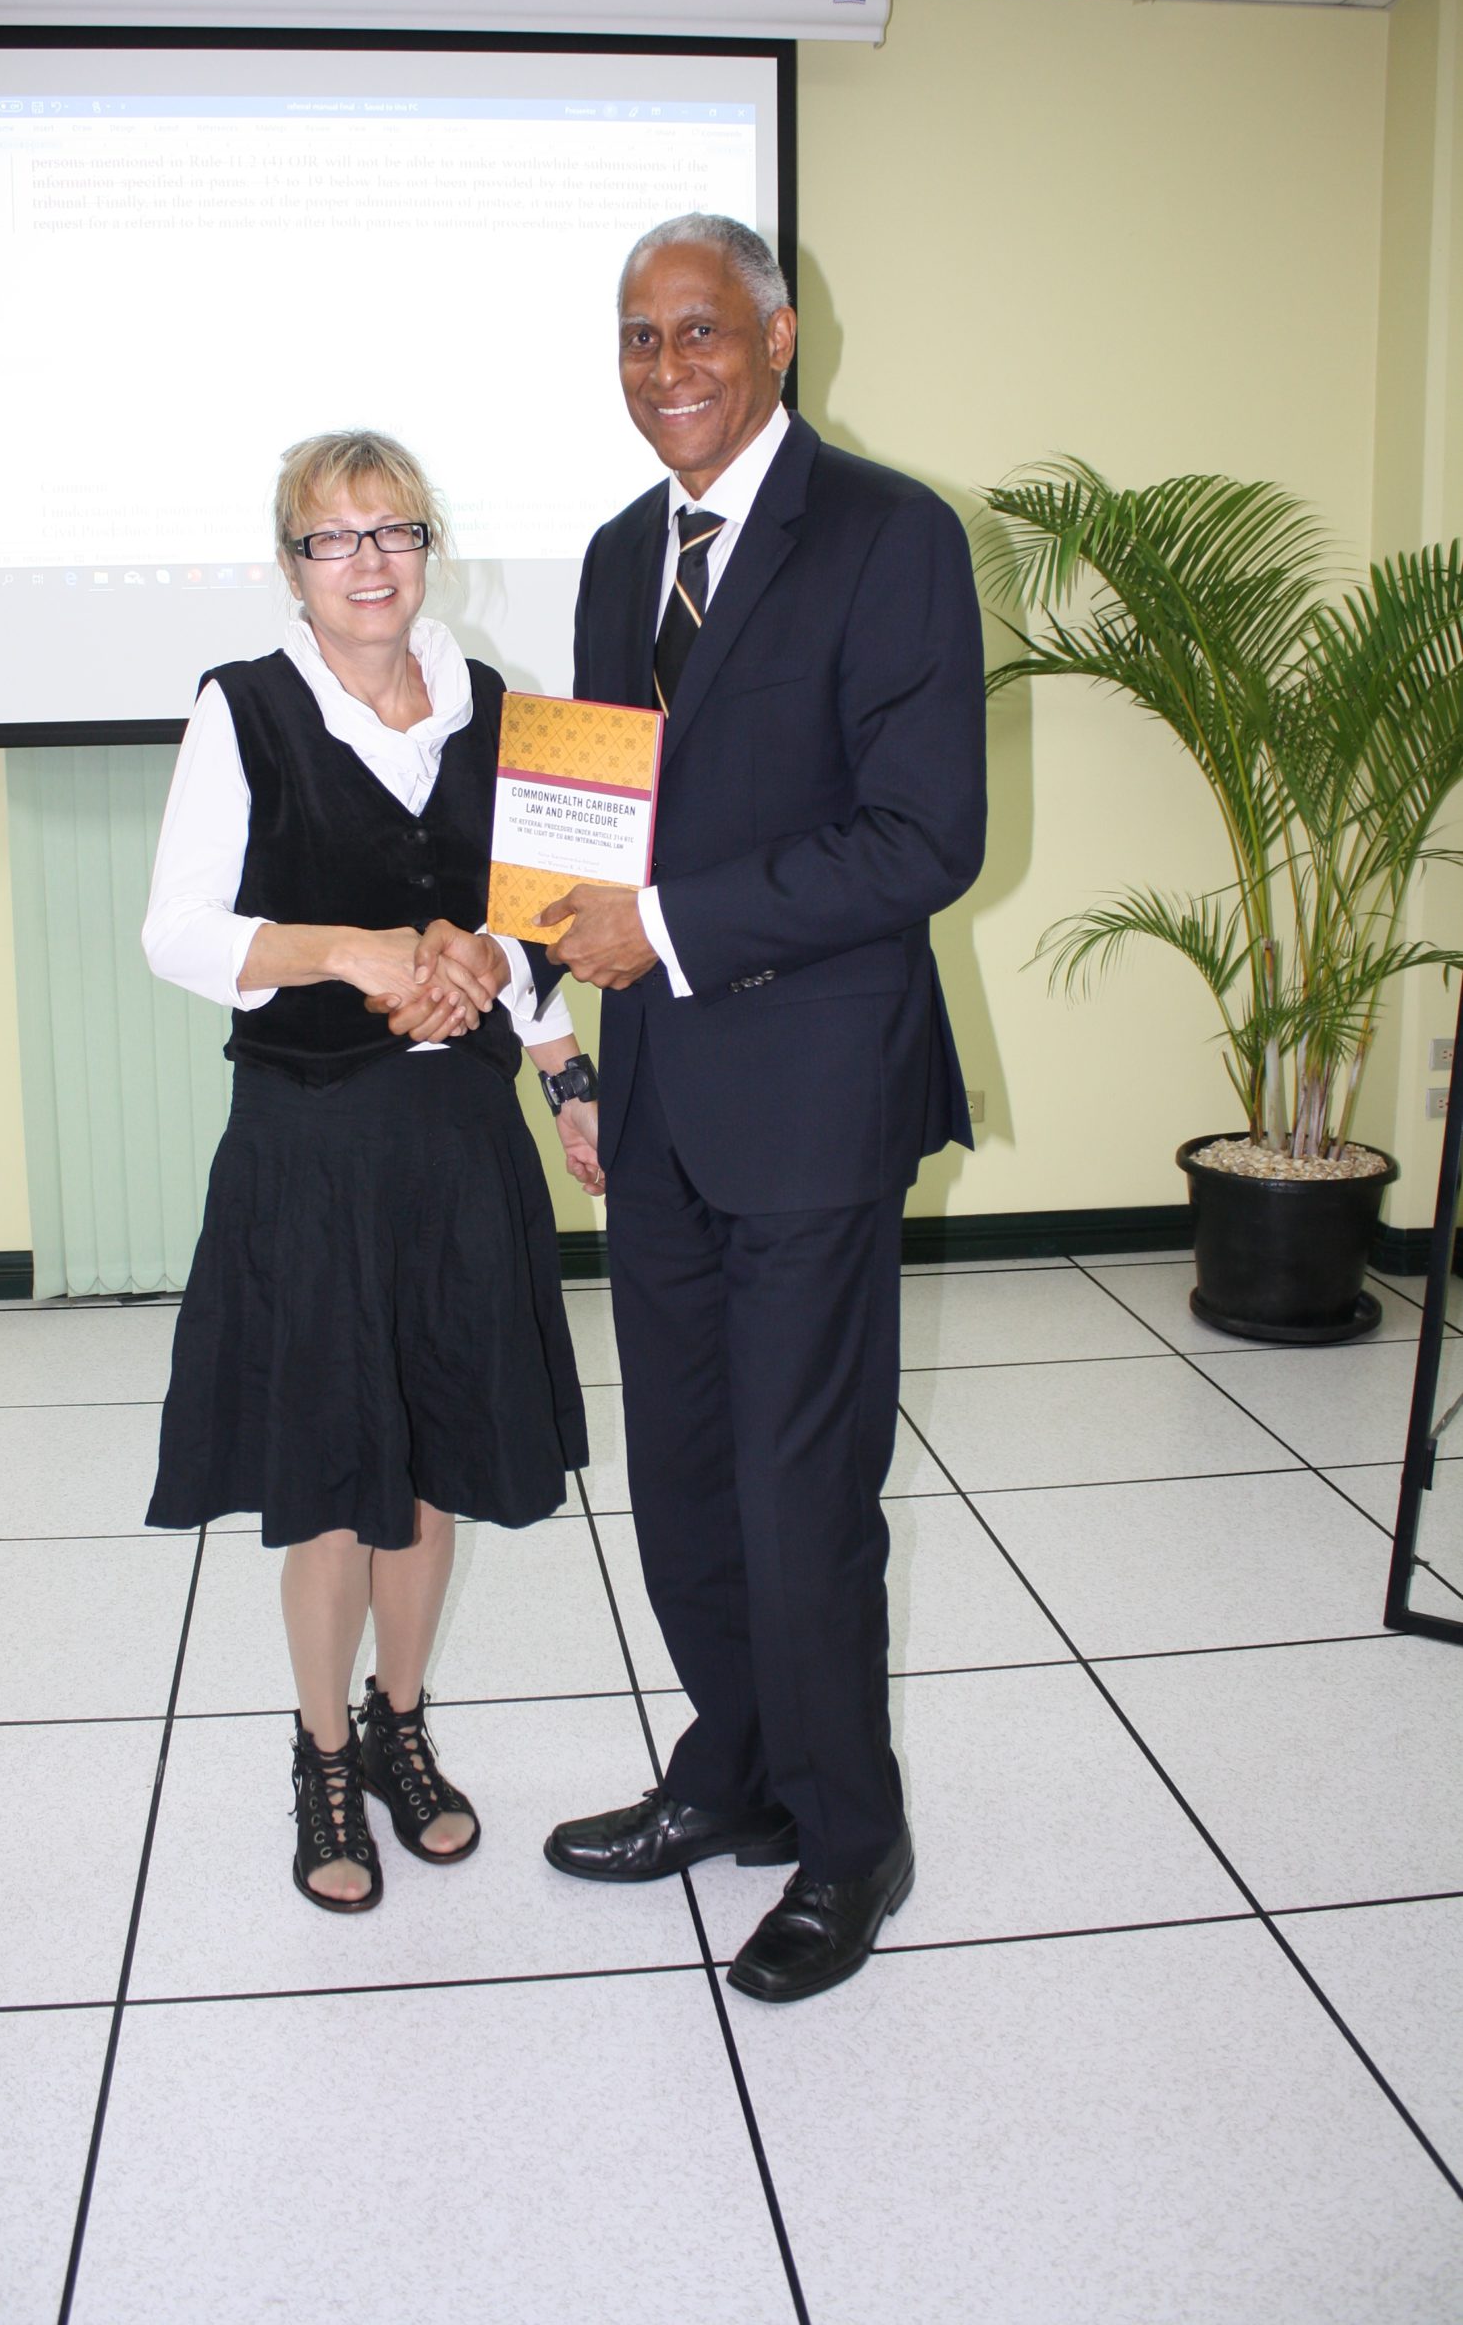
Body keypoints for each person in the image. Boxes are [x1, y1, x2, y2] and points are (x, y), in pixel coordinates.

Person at [455, 213, 986, 2002]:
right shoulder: (624, 553)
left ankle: (849, 1839)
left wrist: (669, 928)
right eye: (638, 336)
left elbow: (924, 837)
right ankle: (735, 1768)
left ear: (776, 338)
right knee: (681, 1473)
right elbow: (596, 829)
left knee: (798, 1484)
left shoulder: (893, 534)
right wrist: (561, 1023)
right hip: (663, 1097)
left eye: (698, 331)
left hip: (818, 1091)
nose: (666, 365)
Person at [141, 429, 602, 1916]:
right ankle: (323, 1752)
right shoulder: (244, 708)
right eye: (332, 538)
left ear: (428, 548)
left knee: (441, 1451)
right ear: (292, 566)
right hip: (313, 1144)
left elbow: (542, 923)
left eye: (393, 531)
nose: (368, 562)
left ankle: (403, 1725)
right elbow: (178, 933)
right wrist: (352, 951)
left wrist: (551, 1053)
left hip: (458, 1140)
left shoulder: (504, 709)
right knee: (337, 1474)